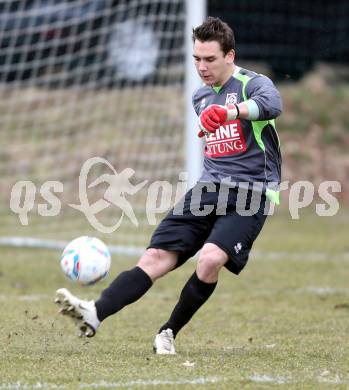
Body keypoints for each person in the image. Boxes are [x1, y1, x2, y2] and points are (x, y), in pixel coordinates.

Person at [55, 16, 282, 355]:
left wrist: (232, 113)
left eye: (210, 59)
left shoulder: (253, 84)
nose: (201, 67)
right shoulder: (200, 97)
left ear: (230, 56)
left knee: (209, 259)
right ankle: (95, 313)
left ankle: (168, 332)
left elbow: (273, 105)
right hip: (209, 188)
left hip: (252, 192)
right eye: (197, 59)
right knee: (156, 256)